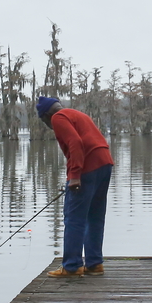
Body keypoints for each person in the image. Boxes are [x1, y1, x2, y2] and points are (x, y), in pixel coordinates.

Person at [36, 96, 113, 276]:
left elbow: (75, 143)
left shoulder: (58, 117)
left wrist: (75, 176)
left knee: (74, 218)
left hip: (88, 167)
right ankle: (94, 264)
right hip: (104, 164)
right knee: (95, 216)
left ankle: (72, 266)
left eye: (43, 120)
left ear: (47, 115)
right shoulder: (77, 114)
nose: (48, 124)